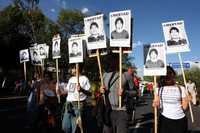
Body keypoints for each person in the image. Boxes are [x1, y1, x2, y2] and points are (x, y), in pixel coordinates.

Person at [97, 52, 137, 133]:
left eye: (112, 59)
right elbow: (101, 92)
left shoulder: (126, 75)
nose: (110, 62)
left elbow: (135, 92)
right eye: (109, 60)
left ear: (118, 60)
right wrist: (101, 90)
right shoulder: (104, 75)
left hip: (121, 111)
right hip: (107, 111)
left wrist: (125, 92)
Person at [153, 66, 189, 133]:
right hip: (165, 120)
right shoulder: (158, 89)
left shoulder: (181, 88)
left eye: (169, 73)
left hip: (179, 120)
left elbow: (185, 107)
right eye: (166, 74)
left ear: (173, 75)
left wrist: (187, 100)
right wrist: (155, 104)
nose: (167, 75)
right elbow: (157, 105)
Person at [61, 64, 91, 133]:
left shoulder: (84, 78)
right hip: (68, 105)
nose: (71, 70)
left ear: (77, 68)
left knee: (76, 128)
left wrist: (82, 90)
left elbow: (90, 93)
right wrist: (59, 91)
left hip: (78, 105)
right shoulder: (71, 79)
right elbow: (67, 92)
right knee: (65, 126)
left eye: (72, 68)